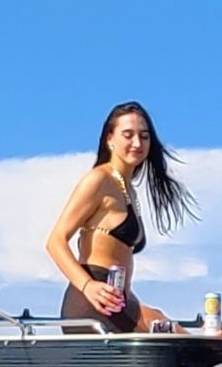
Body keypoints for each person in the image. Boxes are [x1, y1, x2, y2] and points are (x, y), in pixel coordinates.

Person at [44, 101, 195, 334]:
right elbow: (55, 241)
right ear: (110, 139)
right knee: (179, 339)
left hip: (120, 300)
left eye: (144, 136)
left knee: (173, 333)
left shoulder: (127, 188)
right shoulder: (98, 180)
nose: (137, 143)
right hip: (94, 301)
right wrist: (88, 286)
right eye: (128, 135)